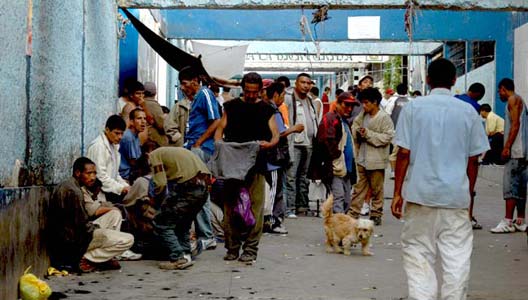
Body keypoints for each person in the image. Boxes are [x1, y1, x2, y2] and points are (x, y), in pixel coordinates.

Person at [391, 58, 489, 300]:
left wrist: (397, 192)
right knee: (457, 259)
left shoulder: (413, 108)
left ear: (427, 80)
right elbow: (473, 159)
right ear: (455, 81)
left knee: (418, 255)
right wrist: (470, 196)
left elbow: (403, 153)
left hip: (420, 196)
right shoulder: (468, 111)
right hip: (455, 198)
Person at [214, 72, 279, 263]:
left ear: (260, 90)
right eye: (248, 91)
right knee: (230, 208)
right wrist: (219, 145)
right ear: (242, 89)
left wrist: (270, 143)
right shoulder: (231, 107)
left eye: (255, 92)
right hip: (232, 164)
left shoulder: (266, 109)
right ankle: (232, 247)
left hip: (256, 164)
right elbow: (220, 128)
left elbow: (275, 133)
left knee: (256, 208)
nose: (251, 95)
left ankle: (250, 249)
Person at [47, 157, 135, 272]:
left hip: (74, 236)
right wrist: (98, 230)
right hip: (72, 244)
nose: (93, 177)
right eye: (89, 173)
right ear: (78, 173)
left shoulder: (71, 186)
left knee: (114, 214)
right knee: (128, 239)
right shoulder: (73, 191)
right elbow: (81, 227)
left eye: (94, 173)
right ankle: (89, 258)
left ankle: (103, 257)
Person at [178, 66, 220, 250]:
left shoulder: (205, 94)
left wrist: (198, 143)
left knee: (199, 192)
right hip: (195, 148)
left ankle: (206, 235)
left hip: (201, 149)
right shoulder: (196, 98)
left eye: (185, 84)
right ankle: (204, 233)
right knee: (196, 192)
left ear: (195, 81)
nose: (183, 88)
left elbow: (216, 120)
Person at [149, 147, 211, 270]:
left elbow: (160, 183)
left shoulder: (154, 154)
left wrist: (156, 202)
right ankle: (186, 254)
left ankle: (178, 257)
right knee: (184, 223)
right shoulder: (176, 151)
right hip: (204, 189)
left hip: (188, 188)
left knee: (162, 222)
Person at [347, 87, 394, 226]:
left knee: (377, 188)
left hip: (377, 160)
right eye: (363, 103)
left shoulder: (384, 118)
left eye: (367, 103)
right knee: (359, 187)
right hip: (362, 157)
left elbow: (387, 137)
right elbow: (354, 126)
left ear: (375, 102)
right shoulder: (362, 115)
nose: (364, 106)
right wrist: (358, 132)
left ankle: (376, 213)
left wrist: (368, 135)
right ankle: (353, 212)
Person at [263, 82, 304, 234]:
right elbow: (277, 134)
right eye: (281, 95)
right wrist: (293, 129)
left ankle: (274, 220)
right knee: (274, 191)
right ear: (276, 95)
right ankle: (272, 222)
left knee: (277, 190)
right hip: (273, 159)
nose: (282, 99)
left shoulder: (272, 109)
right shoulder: (271, 110)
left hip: (276, 158)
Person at [310, 92, 359, 213]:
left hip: (346, 167)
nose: (349, 108)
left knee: (347, 200)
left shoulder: (344, 120)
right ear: (337, 103)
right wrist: (335, 155)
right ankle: (338, 226)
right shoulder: (331, 118)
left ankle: (339, 223)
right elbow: (326, 141)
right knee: (339, 198)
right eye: (346, 105)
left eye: (351, 106)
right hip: (335, 166)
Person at [491, 78, 528, 233]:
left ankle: (507, 221)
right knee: (520, 187)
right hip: (523, 152)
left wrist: (506, 147)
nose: (499, 94)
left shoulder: (513, 100)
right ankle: (520, 220)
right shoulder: (520, 100)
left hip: (515, 151)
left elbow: (515, 125)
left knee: (510, 186)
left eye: (499, 91)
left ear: (504, 89)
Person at [284, 73, 318, 218]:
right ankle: (290, 208)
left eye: (308, 83)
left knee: (304, 177)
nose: (306, 85)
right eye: (303, 82)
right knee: (291, 176)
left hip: (308, 143)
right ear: (296, 84)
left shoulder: (310, 100)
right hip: (295, 143)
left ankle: (302, 206)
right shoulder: (289, 99)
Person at [82, 178, 142, 261]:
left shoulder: (96, 194)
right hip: (86, 233)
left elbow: (103, 204)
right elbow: (92, 211)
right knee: (116, 214)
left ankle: (114, 251)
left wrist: (111, 207)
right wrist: (112, 209)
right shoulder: (83, 192)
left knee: (115, 213)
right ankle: (90, 257)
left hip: (92, 229)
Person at [87, 115, 130, 202]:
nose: (120, 137)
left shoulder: (114, 146)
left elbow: (115, 174)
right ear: (107, 130)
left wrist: (126, 186)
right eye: (117, 133)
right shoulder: (99, 146)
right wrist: (120, 188)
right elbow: (100, 176)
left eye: (122, 133)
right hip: (97, 194)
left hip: (109, 191)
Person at [388, 83, 410, 179]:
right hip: (405, 131)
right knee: (402, 152)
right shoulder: (410, 101)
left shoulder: (392, 100)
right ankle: (396, 171)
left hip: (395, 130)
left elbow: (387, 114)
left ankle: (394, 171)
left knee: (395, 152)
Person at [119, 108, 146, 182]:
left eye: (144, 118)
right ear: (131, 122)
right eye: (139, 118)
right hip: (125, 176)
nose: (143, 121)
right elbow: (133, 162)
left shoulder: (136, 136)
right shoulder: (129, 137)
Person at [143, 82, 169, 147]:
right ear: (155, 93)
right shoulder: (153, 105)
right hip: (154, 140)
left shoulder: (141, 103)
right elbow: (162, 125)